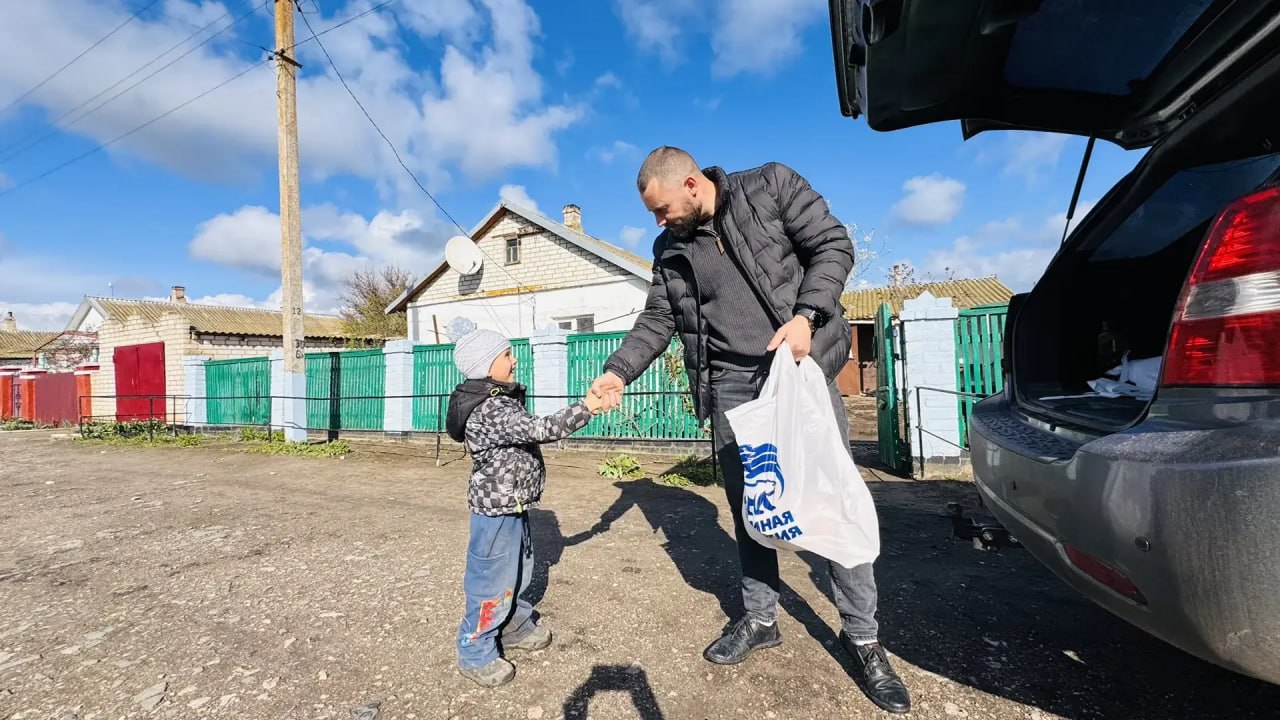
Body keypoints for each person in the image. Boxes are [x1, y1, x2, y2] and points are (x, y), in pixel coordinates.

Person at [589, 146, 911, 714]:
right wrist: (617, 372)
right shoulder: (670, 250)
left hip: (797, 369)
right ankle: (760, 619)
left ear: (692, 184)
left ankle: (863, 636)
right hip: (733, 390)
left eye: (662, 209)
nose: (657, 223)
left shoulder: (769, 187)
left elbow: (832, 245)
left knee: (827, 499)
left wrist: (807, 316)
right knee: (753, 509)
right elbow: (658, 320)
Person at [446, 327, 607, 688]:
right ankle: (475, 651)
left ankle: (514, 625)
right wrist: (588, 408)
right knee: (490, 581)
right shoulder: (489, 408)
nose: (514, 359)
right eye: (506, 355)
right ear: (486, 364)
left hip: (513, 503)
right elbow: (540, 428)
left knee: (519, 570)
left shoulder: (496, 398)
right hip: (496, 512)